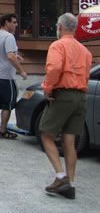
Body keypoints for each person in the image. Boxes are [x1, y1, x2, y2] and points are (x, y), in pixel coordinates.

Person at [40, 13, 92, 200]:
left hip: (63, 95)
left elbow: (54, 68)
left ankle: (61, 177)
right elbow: (86, 75)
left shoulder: (58, 45)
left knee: (46, 134)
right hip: (81, 97)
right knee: (70, 141)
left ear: (60, 27)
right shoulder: (85, 51)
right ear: (75, 28)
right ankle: (70, 182)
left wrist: (47, 88)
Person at [0, 13, 27, 143]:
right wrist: (21, 71)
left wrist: (15, 55)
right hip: (5, 78)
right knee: (7, 105)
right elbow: (10, 57)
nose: (16, 25)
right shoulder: (9, 37)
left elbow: (2, 54)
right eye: (14, 22)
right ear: (6, 23)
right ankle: (3, 131)